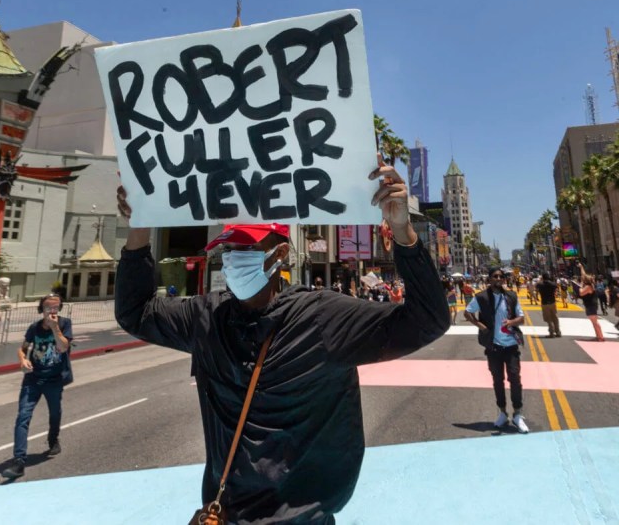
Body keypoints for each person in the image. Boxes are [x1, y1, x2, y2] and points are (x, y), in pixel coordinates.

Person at [114, 161, 450, 523]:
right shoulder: (207, 317)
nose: (233, 259)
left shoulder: (322, 317)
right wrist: (138, 229)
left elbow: (427, 321)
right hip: (227, 515)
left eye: (246, 248)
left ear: (281, 254)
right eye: (228, 250)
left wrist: (403, 232)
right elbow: (135, 312)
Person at [2, 293, 73, 479]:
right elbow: (22, 348)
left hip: (54, 379)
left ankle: (53, 438)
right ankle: (19, 460)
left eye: (55, 307)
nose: (52, 311)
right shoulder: (34, 328)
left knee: (55, 412)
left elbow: (63, 347)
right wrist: (22, 359)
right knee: (23, 416)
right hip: (33, 379)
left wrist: (55, 327)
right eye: (48, 307)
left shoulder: (64, 324)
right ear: (42, 309)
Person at [463, 267, 529, 434]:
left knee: (515, 378)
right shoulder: (482, 297)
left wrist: (512, 322)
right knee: (497, 380)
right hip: (493, 347)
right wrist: (481, 326)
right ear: (489, 279)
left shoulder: (511, 296)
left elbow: (522, 318)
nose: (499, 279)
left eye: (501, 276)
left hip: (511, 346)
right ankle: (502, 412)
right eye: (495, 276)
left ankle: (518, 414)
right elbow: (467, 312)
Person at [577, 264, 605, 342]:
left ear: (585, 280)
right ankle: (598, 336)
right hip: (590, 305)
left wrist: (580, 286)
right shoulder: (590, 284)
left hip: (591, 305)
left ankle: (601, 337)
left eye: (583, 279)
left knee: (595, 322)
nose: (582, 280)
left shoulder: (588, 286)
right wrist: (581, 267)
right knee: (593, 322)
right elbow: (583, 275)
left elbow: (581, 293)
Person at [536, 272, 562, 338]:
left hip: (545, 302)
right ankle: (558, 332)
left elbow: (536, 286)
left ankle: (551, 332)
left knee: (548, 318)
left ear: (542, 277)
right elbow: (556, 287)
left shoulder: (540, 284)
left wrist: (540, 279)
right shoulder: (552, 284)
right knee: (555, 317)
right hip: (552, 302)